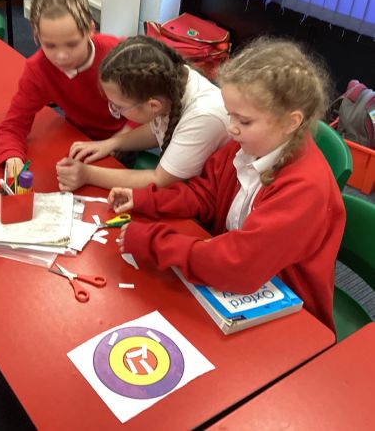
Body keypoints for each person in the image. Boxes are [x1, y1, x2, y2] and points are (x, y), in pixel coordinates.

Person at [110, 37, 345, 333]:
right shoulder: (246, 147)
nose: (231, 127)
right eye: (229, 113)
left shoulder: (305, 188)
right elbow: (205, 194)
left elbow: (241, 264)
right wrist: (147, 200)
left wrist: (156, 244)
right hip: (236, 284)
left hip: (291, 313)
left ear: (290, 122)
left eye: (244, 121)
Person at [55, 35, 229, 191]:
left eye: (118, 107)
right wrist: (112, 143)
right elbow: (157, 130)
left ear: (153, 105)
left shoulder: (203, 117)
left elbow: (160, 180)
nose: (114, 110)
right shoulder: (172, 81)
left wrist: (87, 174)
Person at [0, 0, 127, 177]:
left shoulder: (117, 53)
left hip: (125, 142)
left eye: (72, 44)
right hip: (77, 139)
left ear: (90, 30)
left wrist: (118, 142)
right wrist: (12, 157)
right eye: (50, 46)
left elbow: (151, 108)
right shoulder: (38, 69)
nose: (61, 56)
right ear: (37, 36)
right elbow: (13, 125)